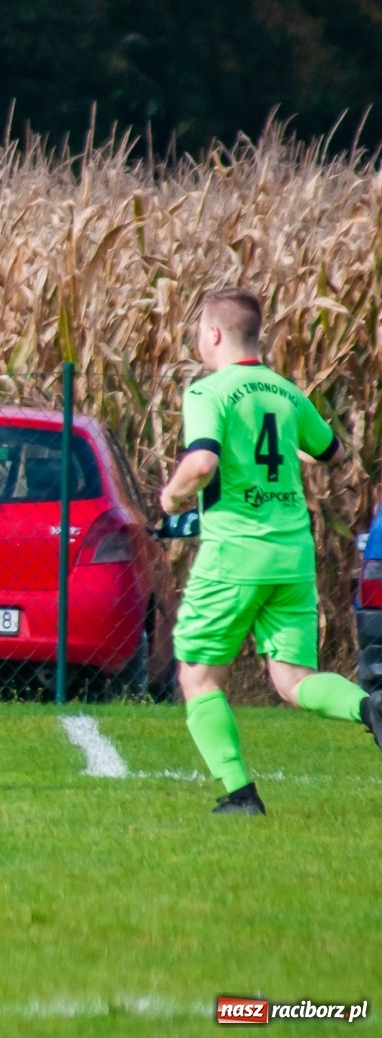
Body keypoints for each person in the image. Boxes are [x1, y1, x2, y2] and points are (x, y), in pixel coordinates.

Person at [160, 288, 382, 814]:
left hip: (235, 553)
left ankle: (240, 794)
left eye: (199, 330)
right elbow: (331, 450)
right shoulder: (284, 391)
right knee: (292, 679)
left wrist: (170, 497)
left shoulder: (208, 392)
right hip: (291, 554)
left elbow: (203, 463)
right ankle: (372, 709)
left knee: (197, 673)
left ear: (213, 334)